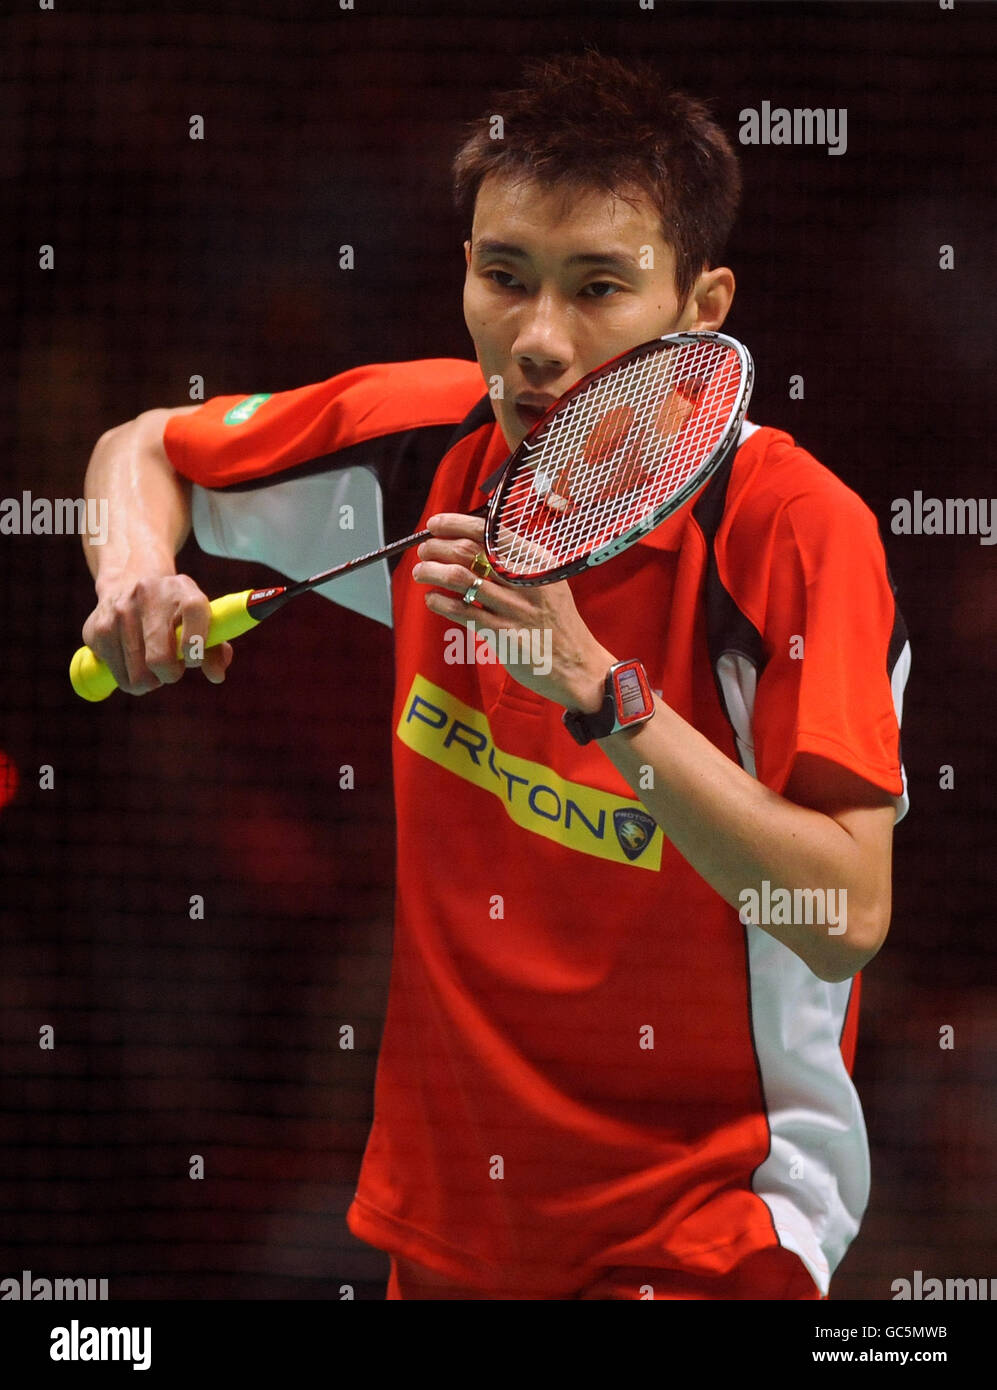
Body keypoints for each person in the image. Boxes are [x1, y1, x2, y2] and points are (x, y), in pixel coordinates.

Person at [80, 52, 910, 1300]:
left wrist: (604, 695)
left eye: (598, 289)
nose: (537, 342)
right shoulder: (432, 462)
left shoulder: (789, 532)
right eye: (504, 276)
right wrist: (137, 572)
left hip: (709, 1225)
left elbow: (841, 918)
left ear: (700, 306)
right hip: (454, 1224)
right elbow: (144, 446)